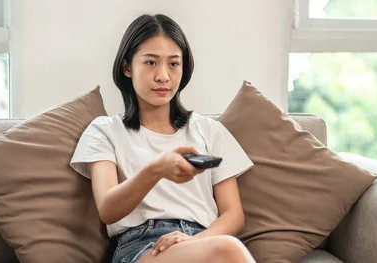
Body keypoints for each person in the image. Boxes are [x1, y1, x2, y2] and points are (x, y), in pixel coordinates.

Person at [70, 13, 256, 263]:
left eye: (173, 64)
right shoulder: (105, 130)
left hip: (203, 242)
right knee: (229, 250)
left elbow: (233, 215)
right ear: (127, 67)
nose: (163, 77)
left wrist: (193, 241)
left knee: (226, 248)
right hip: (142, 247)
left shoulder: (209, 130)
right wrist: (156, 169)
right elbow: (107, 209)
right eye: (150, 63)